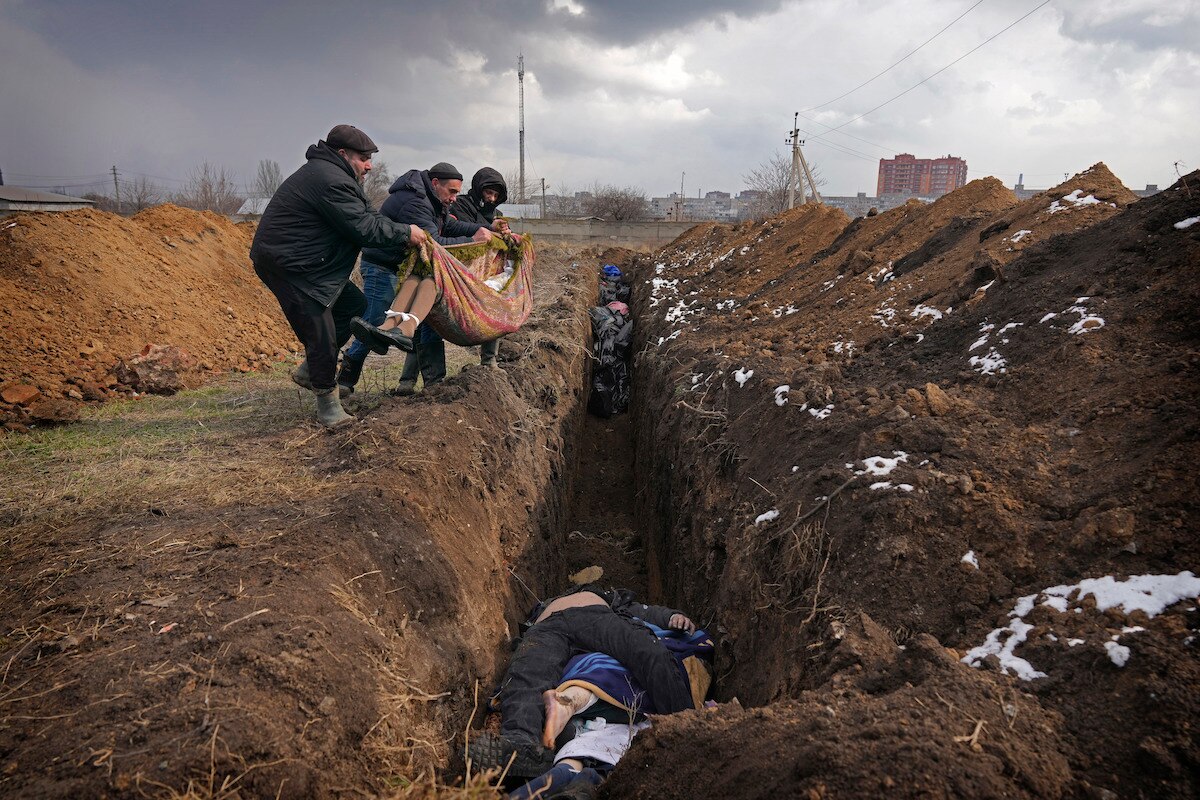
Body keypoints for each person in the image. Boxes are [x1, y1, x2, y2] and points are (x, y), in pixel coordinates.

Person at [250, 124, 427, 428]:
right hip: (293, 266)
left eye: (370, 158)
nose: (369, 164)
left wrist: (399, 230)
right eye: (363, 158)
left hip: (312, 264)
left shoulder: (338, 177)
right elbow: (363, 228)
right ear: (343, 154)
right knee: (321, 332)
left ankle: (309, 371)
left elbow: (368, 217)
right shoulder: (330, 180)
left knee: (353, 307)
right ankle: (328, 405)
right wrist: (405, 232)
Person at [467, 586, 701, 779]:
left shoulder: (609, 597)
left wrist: (671, 616)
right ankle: (521, 747)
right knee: (525, 675)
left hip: (595, 617)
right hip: (547, 628)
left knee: (650, 653)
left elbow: (646, 612)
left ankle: (685, 730)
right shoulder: (542, 607)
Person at [334, 163, 496, 397]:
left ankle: (434, 383)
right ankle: (345, 380)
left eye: (457, 193)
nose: (454, 198)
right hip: (384, 266)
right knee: (375, 324)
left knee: (428, 321)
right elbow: (434, 243)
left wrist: (484, 228)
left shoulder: (433, 201)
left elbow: (449, 225)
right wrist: (473, 240)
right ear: (435, 184)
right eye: (451, 191)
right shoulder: (416, 202)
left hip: (405, 268)